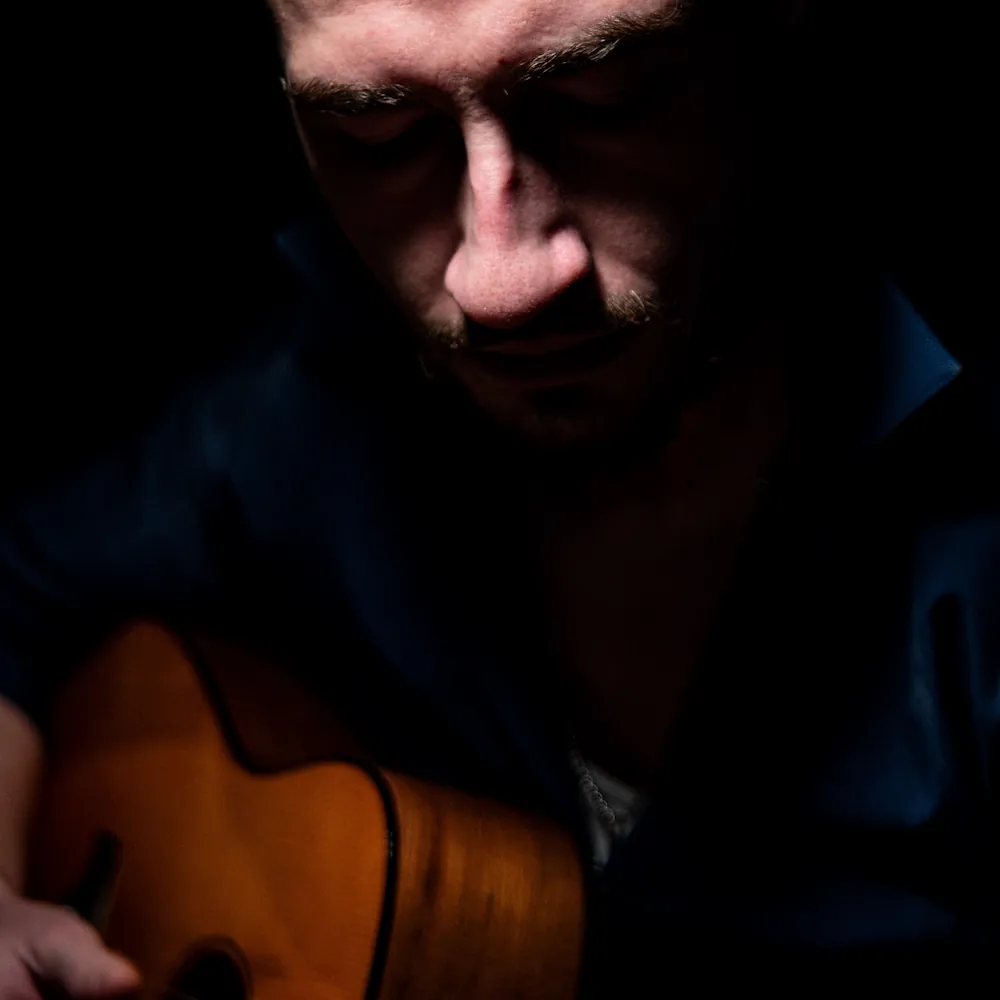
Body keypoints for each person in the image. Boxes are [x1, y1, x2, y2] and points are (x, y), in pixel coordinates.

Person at [1, 0, 997, 995]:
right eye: (378, 136)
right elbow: (23, 590)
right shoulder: (311, 406)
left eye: (604, 102)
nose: (499, 280)